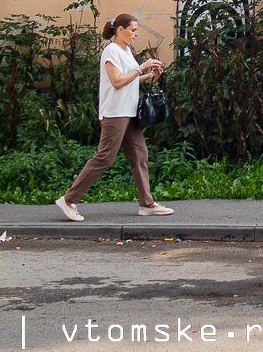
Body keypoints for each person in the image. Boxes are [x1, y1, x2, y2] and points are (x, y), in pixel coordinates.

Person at [55, 14, 174, 220]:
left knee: (139, 155)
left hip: (129, 112)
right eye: (133, 30)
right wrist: (141, 67)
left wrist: (147, 76)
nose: (136, 34)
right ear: (120, 29)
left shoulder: (126, 51)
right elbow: (117, 82)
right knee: (104, 158)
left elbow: (129, 80)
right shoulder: (111, 51)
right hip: (115, 113)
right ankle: (68, 200)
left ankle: (146, 204)